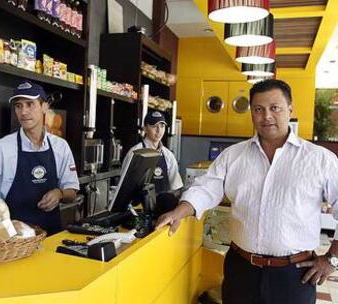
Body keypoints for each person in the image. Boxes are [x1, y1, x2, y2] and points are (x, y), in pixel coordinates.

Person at [156, 79, 338, 304]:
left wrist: (332, 259)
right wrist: (179, 211)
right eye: (259, 109)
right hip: (241, 270)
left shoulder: (319, 159)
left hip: (294, 276)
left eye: (275, 108)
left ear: (290, 109)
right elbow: (206, 189)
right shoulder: (233, 156)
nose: (267, 116)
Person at [0, 81, 79, 235]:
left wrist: (60, 194)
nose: (24, 112)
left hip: (50, 236)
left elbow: (72, 192)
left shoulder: (61, 147)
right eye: (18, 106)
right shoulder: (1, 148)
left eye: (29, 104)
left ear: (45, 106)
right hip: (12, 241)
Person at [122, 110, 183, 214]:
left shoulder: (168, 155)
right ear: (145, 128)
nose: (159, 131)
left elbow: (176, 188)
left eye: (162, 126)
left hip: (161, 214)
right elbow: (124, 188)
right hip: (138, 213)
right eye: (154, 126)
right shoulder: (135, 152)